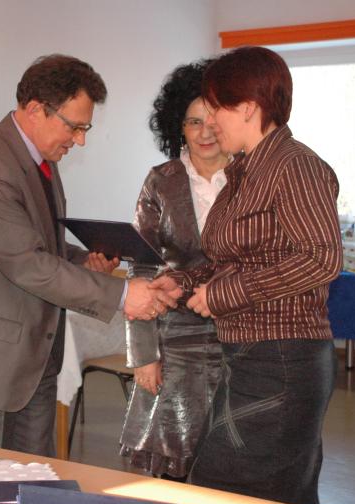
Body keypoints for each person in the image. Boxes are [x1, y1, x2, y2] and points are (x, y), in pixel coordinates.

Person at [0, 54, 181, 457]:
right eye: (74, 127)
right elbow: (26, 264)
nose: (80, 140)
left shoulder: (40, 158)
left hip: (32, 358)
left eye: (85, 128)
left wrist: (83, 261)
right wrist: (125, 295)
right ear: (35, 109)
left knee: (31, 480)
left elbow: (40, 246)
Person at [183, 46, 343, 504]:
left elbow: (321, 258)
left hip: (283, 358)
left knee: (228, 495)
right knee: (266, 500)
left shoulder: (295, 165)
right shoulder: (245, 171)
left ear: (249, 107)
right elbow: (236, 259)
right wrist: (182, 284)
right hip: (251, 356)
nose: (210, 123)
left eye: (217, 108)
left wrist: (224, 294)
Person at [119, 61, 227, 481]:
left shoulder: (252, 179)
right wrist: (144, 355)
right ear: (177, 127)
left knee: (232, 464)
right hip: (175, 345)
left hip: (241, 340)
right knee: (174, 469)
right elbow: (141, 270)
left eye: (213, 120)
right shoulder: (160, 182)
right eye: (193, 121)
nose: (204, 132)